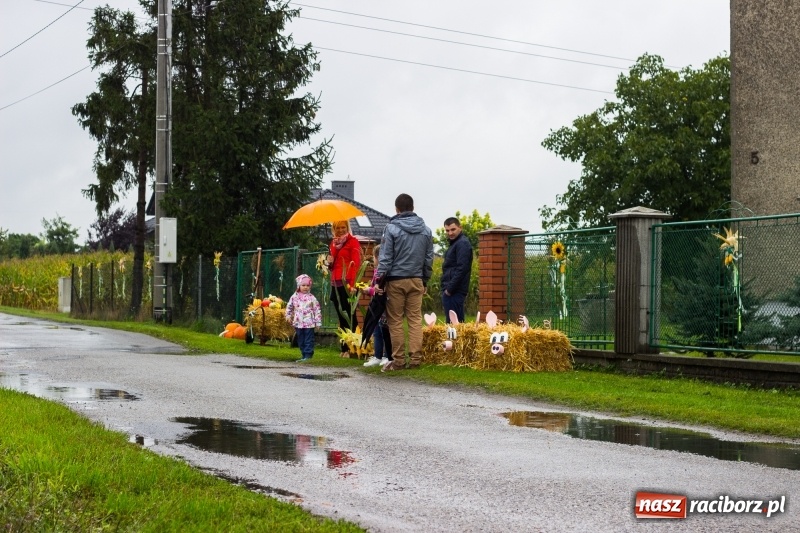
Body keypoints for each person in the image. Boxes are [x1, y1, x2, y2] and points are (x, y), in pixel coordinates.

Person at [376, 193, 434, 372]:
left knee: (395, 321)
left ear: (397, 209)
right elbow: (428, 258)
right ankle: (416, 359)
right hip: (416, 279)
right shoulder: (426, 230)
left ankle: (399, 361)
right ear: (413, 208)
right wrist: (425, 280)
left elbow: (385, 257)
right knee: (415, 320)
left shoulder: (391, 228)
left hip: (395, 281)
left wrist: (379, 280)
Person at [328, 219, 362, 357]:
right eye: (337, 228)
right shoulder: (333, 244)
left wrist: (353, 285)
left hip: (348, 284)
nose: (340, 230)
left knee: (350, 315)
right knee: (341, 317)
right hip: (335, 283)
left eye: (343, 227)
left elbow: (356, 264)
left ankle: (353, 348)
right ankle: (344, 349)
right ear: (334, 229)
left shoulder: (353, 242)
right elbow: (332, 266)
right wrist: (329, 262)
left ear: (347, 228)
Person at [362, 244, 393, 368]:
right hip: (377, 305)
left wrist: (368, 290)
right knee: (377, 331)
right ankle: (378, 355)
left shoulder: (382, 272)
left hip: (382, 305)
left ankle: (386, 355)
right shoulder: (377, 271)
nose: (373, 260)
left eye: (374, 257)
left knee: (384, 330)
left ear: (379, 257)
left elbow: (378, 289)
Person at [441, 216, 474, 324]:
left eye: (453, 229)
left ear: (460, 227)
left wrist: (449, 290)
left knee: (454, 325)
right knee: (454, 325)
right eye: (447, 230)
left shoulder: (462, 243)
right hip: (452, 290)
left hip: (455, 291)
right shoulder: (455, 243)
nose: (450, 233)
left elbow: (462, 268)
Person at [285, 274, 322, 362]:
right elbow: (289, 306)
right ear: (299, 285)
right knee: (300, 340)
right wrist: (288, 315)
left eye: (308, 285)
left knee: (308, 340)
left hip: (309, 323)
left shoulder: (312, 298)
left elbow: (317, 310)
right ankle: (303, 354)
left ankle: (308, 355)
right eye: (303, 285)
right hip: (298, 323)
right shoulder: (294, 297)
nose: (305, 287)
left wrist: (318, 322)